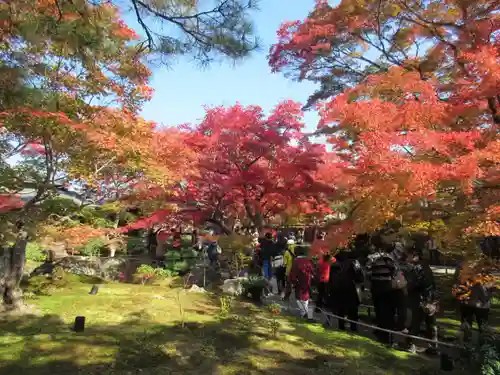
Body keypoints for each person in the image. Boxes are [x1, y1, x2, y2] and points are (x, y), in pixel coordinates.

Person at [366, 242, 408, 345]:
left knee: (380, 311)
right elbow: (394, 271)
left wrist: (374, 276)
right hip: (387, 288)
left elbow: (367, 271)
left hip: (376, 287)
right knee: (388, 312)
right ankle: (387, 336)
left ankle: (382, 333)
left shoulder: (372, 258)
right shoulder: (389, 258)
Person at [405, 247, 439, 354]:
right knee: (431, 323)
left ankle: (410, 344)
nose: (407, 257)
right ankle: (433, 346)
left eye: (409, 255)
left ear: (415, 256)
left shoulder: (417, 268)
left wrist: (408, 287)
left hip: (421, 299)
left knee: (416, 321)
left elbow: (415, 284)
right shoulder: (426, 267)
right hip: (431, 298)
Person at [452, 260, 496, 340]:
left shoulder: (487, 275)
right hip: (467, 304)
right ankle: (466, 344)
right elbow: (457, 287)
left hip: (481, 305)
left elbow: (488, 292)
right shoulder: (464, 271)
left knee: (483, 327)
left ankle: (484, 346)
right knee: (466, 327)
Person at [334, 254, 365, 332]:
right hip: (351, 288)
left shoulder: (338, 263)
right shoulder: (355, 262)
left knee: (341, 309)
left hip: (339, 288)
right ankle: (353, 328)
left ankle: (341, 326)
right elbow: (360, 276)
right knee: (353, 309)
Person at [288, 246, 315, 319]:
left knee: (298, 297)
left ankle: (304, 313)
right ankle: (307, 314)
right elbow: (313, 270)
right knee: (306, 297)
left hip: (299, 281)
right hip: (308, 280)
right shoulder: (308, 260)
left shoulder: (296, 261)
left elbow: (293, 272)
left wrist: (293, 281)